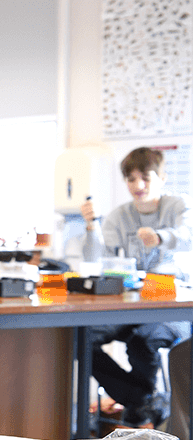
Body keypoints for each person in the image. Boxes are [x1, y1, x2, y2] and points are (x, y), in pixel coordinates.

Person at [81, 147, 192, 428]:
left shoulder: (178, 206)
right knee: (81, 338)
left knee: (142, 343)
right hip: (129, 305)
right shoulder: (119, 216)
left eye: (145, 177)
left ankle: (141, 408)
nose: (138, 185)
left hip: (170, 307)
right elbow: (96, 259)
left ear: (162, 178)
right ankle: (143, 401)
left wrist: (160, 237)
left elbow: (187, 235)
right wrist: (92, 227)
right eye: (131, 179)